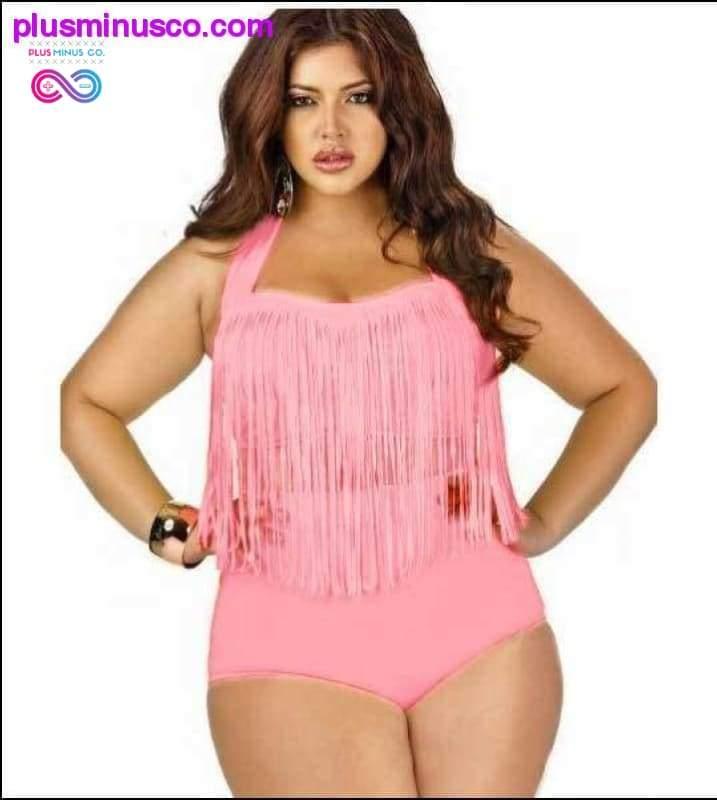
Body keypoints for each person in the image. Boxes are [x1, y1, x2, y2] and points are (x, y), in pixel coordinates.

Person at [60, 9, 657, 797]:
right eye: (303, 100)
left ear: (398, 106)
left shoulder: (467, 251)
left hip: (484, 633)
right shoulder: (216, 269)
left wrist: (541, 523)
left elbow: (623, 389)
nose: (331, 128)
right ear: (269, 116)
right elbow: (88, 403)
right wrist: (168, 527)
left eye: (360, 96)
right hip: (287, 647)